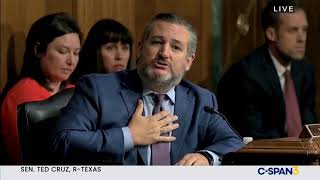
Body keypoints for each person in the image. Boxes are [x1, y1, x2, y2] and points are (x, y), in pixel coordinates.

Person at [52, 13, 244, 165]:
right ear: (141, 48)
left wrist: (207, 157)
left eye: (176, 47)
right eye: (157, 42)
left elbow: (234, 142)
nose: (164, 53)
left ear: (188, 61)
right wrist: (129, 136)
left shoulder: (202, 100)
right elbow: (64, 141)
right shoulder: (97, 88)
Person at [217, 0, 316, 139]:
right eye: (293, 30)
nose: (302, 38)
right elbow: (254, 134)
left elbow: (309, 121)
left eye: (304, 30)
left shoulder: (304, 68)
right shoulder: (245, 74)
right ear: (271, 34)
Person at [0, 12, 81, 164]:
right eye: (63, 51)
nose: (71, 61)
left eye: (76, 53)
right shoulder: (22, 93)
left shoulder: (74, 89)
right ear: (38, 50)